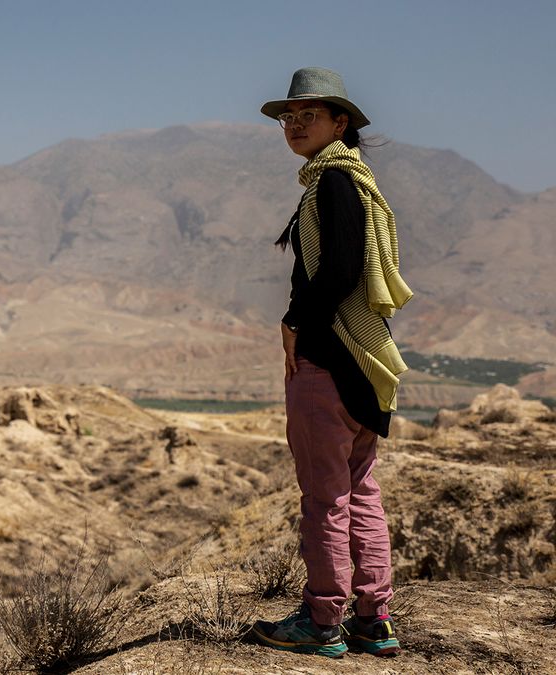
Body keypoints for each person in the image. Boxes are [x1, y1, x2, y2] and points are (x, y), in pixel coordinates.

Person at [251, 67, 412, 659]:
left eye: (306, 115)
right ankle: (373, 620)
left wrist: (295, 323)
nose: (292, 125)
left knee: (325, 498)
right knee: (360, 490)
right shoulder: (355, 180)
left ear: (340, 122)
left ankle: (322, 623)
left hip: (328, 364)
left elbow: (339, 272)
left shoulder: (331, 184)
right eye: (287, 117)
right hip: (364, 364)